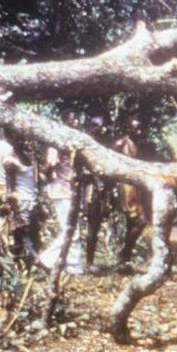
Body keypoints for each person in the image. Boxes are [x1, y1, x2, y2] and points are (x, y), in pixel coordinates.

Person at [0, 129, 47, 271]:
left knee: (33, 236)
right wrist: (16, 214)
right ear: (9, 136)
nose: (22, 138)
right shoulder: (10, 160)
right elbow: (10, 190)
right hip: (21, 202)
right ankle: (24, 267)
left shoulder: (21, 153)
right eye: (17, 135)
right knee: (22, 236)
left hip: (29, 200)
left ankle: (29, 267)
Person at [39, 110, 83, 274]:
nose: (76, 121)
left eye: (77, 118)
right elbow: (48, 169)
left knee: (73, 228)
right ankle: (48, 259)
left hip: (69, 190)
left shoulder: (74, 142)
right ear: (65, 121)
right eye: (73, 118)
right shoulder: (56, 142)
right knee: (71, 229)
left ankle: (73, 265)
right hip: (60, 190)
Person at [113, 116, 152, 272]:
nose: (139, 131)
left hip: (136, 187)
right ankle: (124, 254)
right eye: (135, 128)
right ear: (128, 129)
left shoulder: (138, 144)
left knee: (132, 223)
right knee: (141, 221)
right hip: (126, 188)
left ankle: (125, 260)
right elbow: (107, 162)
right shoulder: (120, 144)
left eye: (140, 128)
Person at [83, 114, 112, 275]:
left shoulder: (102, 146)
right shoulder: (86, 146)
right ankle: (88, 262)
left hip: (102, 191)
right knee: (92, 227)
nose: (104, 129)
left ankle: (90, 261)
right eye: (101, 127)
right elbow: (85, 171)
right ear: (93, 129)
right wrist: (97, 182)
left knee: (97, 225)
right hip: (91, 191)